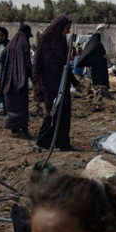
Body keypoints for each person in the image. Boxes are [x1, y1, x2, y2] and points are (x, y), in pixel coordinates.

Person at [33, 15, 80, 150]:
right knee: (52, 112)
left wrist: (75, 83)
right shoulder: (45, 39)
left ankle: (63, 143)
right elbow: (36, 63)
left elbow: (65, 65)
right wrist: (37, 84)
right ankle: (43, 142)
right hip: (48, 83)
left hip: (62, 82)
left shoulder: (62, 40)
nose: (68, 31)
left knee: (64, 112)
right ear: (59, 27)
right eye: (67, 28)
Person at [1, 23, 33, 136]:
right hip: (20, 80)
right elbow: (28, 63)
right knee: (22, 105)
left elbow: (2, 57)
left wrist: (9, 69)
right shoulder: (24, 44)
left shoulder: (10, 44)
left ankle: (14, 129)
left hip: (8, 80)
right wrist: (33, 77)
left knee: (11, 105)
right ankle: (24, 129)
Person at [77, 29, 109, 97]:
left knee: (96, 77)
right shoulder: (99, 45)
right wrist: (109, 60)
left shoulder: (92, 45)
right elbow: (103, 54)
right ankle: (102, 90)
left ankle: (96, 89)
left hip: (95, 65)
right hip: (101, 65)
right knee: (102, 77)